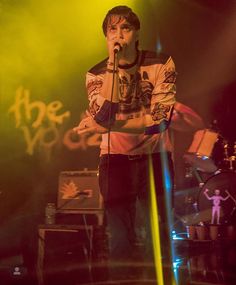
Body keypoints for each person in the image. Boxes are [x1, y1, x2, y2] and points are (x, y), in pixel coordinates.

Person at [74, 5, 177, 282]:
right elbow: (104, 113)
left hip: (155, 157)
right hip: (115, 160)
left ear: (137, 32)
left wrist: (105, 125)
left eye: (125, 28)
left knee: (159, 234)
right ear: (106, 37)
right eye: (112, 30)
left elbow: (159, 122)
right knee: (119, 239)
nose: (118, 34)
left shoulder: (160, 63)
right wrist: (112, 65)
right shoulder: (96, 74)